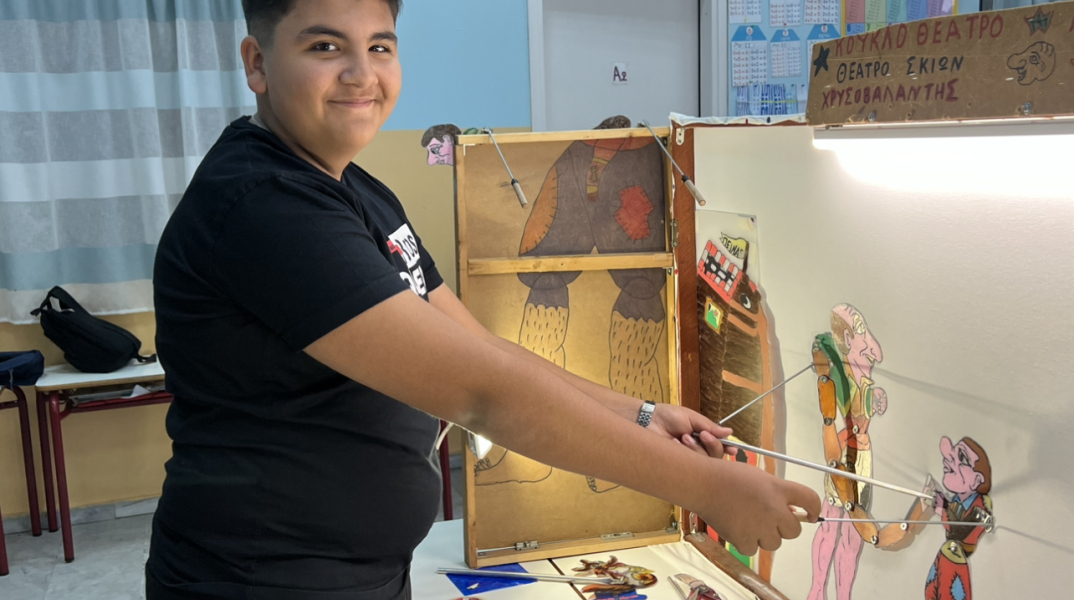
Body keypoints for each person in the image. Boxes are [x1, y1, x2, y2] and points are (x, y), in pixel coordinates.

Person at [146, 1, 821, 599]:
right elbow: (480, 393)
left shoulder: (356, 191)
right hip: (259, 577)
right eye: (325, 46)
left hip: (352, 571)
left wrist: (641, 415)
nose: (361, 73)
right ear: (257, 63)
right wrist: (708, 488)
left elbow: (482, 351)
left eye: (379, 46)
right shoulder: (263, 204)